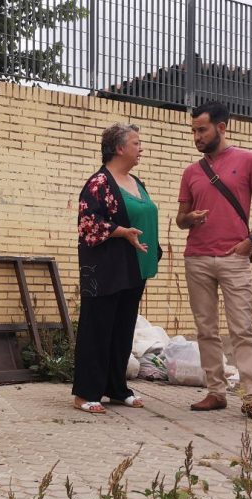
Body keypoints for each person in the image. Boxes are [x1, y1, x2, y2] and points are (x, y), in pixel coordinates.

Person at [176, 101, 252, 424]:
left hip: (235, 257)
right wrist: (188, 218)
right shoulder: (191, 172)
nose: (196, 136)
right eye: (193, 131)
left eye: (202, 129)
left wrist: (251, 240)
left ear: (221, 127)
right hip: (198, 258)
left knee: (242, 327)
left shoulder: (249, 161)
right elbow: (180, 219)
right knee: (206, 329)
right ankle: (215, 391)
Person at [73, 123, 161, 414]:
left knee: (123, 329)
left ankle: (115, 387)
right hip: (105, 269)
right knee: (97, 329)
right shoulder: (99, 183)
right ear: (119, 148)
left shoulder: (137, 182)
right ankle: (86, 392)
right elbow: (88, 223)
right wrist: (121, 231)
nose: (141, 148)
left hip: (134, 267)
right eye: (136, 143)